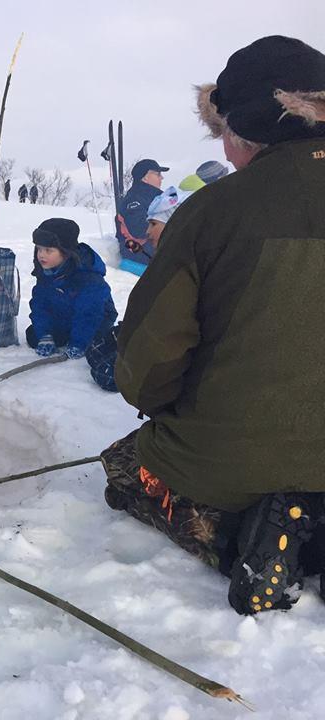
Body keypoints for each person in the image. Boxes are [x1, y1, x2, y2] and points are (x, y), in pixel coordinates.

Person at [103, 35, 325, 615]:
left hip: (240, 459)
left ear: (253, 130)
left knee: (125, 466)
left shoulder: (212, 210)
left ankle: (242, 544)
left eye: (227, 134)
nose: (226, 154)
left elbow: (147, 371)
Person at [85, 188, 191, 393]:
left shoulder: (185, 269)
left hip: (164, 348)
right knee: (96, 348)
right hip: (145, 331)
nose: (147, 232)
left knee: (105, 373)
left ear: (176, 224)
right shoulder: (166, 261)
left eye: (153, 224)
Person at [25, 218, 117, 361]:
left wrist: (79, 343)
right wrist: (45, 335)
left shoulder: (88, 277)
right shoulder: (46, 272)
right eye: (39, 249)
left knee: (96, 342)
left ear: (66, 252)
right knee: (33, 335)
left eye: (48, 250)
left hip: (96, 320)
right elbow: (40, 306)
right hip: (65, 316)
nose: (41, 255)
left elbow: (89, 313)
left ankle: (81, 339)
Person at [116, 158, 168, 275]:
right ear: (145, 177)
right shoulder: (135, 199)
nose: (161, 178)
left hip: (154, 253)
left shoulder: (156, 198)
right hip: (140, 255)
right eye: (158, 174)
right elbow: (139, 229)